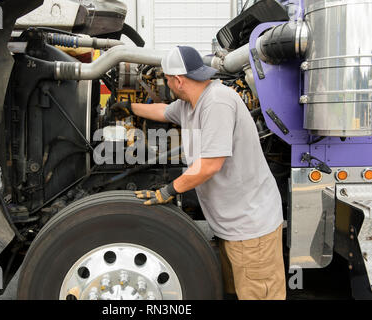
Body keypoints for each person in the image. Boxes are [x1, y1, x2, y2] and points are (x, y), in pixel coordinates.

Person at [108, 46, 286, 300]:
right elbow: (162, 111)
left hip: (251, 229)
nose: (167, 84)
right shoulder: (190, 103)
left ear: (178, 80)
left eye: (167, 79)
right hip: (230, 226)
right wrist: (128, 106)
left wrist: (167, 191)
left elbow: (211, 165)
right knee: (236, 293)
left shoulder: (217, 102)